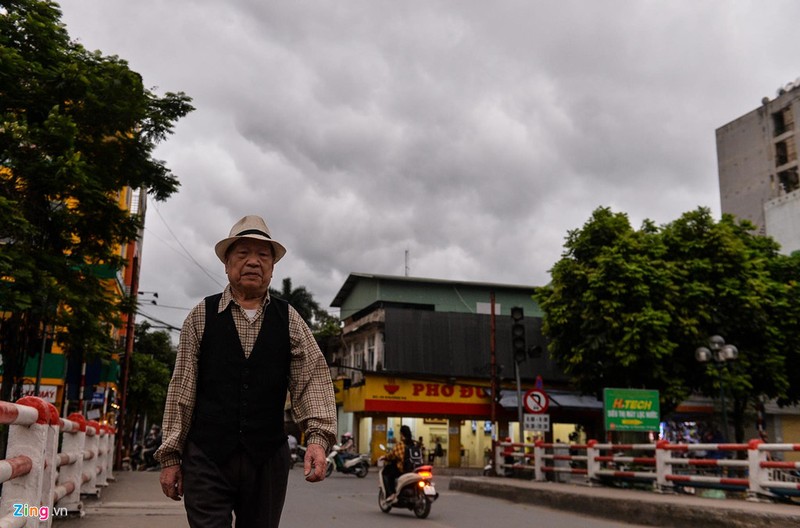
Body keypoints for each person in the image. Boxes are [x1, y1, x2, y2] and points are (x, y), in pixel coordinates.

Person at [155, 215, 337, 528]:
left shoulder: (290, 318)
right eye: (243, 254)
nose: (253, 261)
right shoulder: (202, 315)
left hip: (266, 458)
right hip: (207, 456)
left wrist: (318, 440)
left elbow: (312, 380)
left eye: (262, 255)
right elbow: (182, 389)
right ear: (227, 264)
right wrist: (171, 457)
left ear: (272, 266)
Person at [383, 425, 413, 502]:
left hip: (403, 469)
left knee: (386, 473)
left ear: (402, 434)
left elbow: (391, 455)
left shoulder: (400, 445)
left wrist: (385, 457)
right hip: (413, 469)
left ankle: (391, 493)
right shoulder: (413, 444)